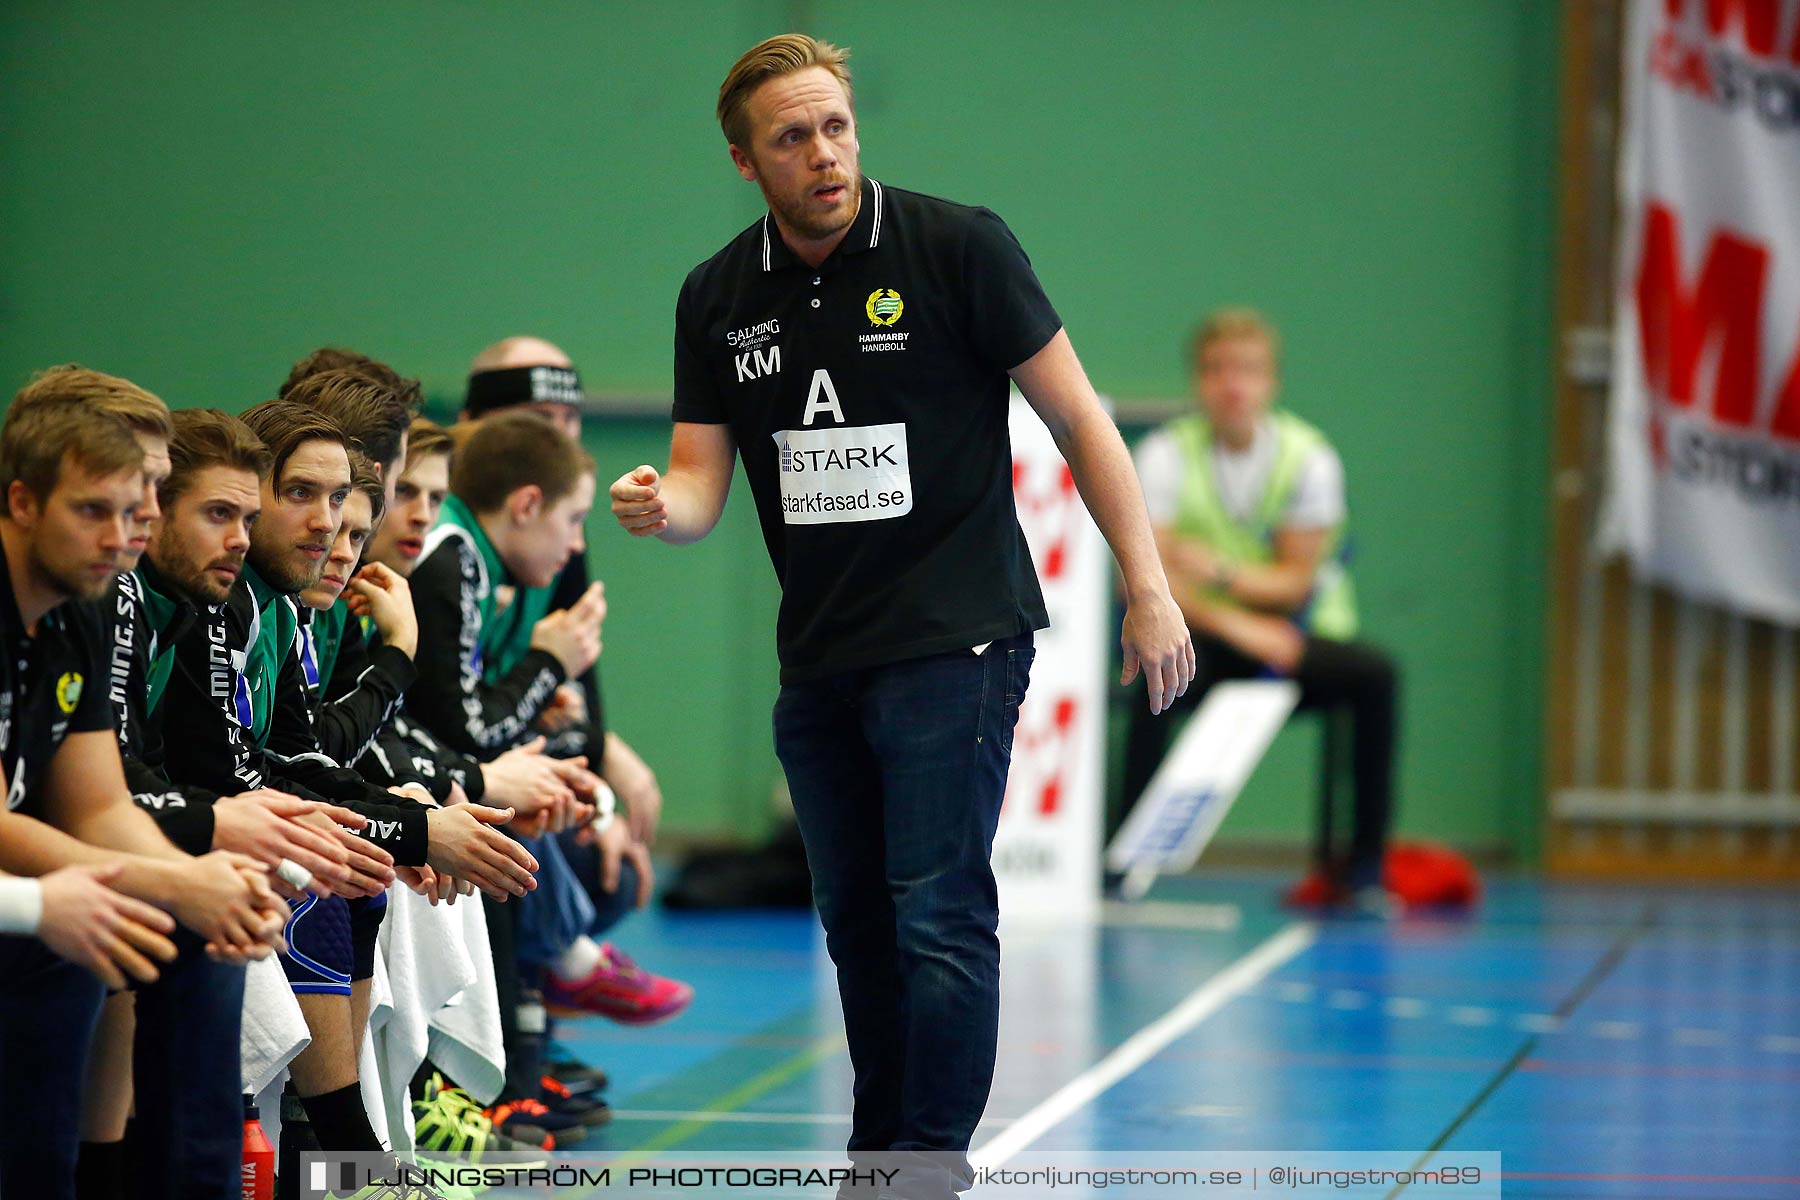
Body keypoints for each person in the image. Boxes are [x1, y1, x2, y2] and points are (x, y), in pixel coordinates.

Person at [608, 34, 1192, 1199]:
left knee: (936, 914)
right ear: (744, 163)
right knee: (858, 933)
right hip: (822, 655)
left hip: (956, 634)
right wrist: (653, 506)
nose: (823, 154)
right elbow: (697, 487)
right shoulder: (717, 296)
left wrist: (1150, 585)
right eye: (791, 138)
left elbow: (1080, 419)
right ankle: (879, 1164)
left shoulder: (956, 246)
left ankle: (928, 1169)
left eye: (836, 126)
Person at [0, 370, 288, 1200]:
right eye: (99, 510)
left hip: (27, 875)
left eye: (138, 508)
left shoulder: (83, 599)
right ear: (23, 501)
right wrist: (168, 875)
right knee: (69, 945)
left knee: (199, 926)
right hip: (17, 885)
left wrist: (195, 884)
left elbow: (96, 803)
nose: (125, 535)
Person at [1121, 308, 1399, 902]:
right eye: (1217, 370)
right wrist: (1240, 618)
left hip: (1296, 639)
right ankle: (1120, 864)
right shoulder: (1165, 454)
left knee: (1377, 677)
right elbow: (1145, 581)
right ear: (1199, 381)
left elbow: (1296, 583)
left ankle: (1364, 868)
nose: (1233, 384)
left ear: (1271, 381)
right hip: (1203, 636)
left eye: (1248, 370)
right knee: (1149, 671)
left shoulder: (1309, 457)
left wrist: (1219, 569)